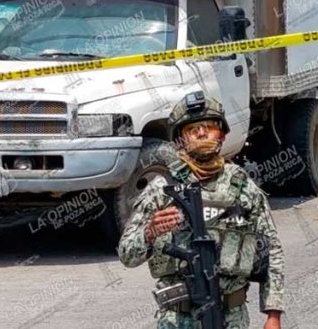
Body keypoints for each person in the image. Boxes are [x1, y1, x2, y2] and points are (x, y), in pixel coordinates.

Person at [119, 92, 285, 329]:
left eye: (209, 127)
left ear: (223, 134)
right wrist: (149, 232)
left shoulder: (242, 186)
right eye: (192, 129)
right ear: (180, 140)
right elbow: (127, 254)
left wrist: (273, 314)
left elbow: (272, 249)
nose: (201, 133)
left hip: (231, 317)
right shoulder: (162, 190)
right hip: (178, 319)